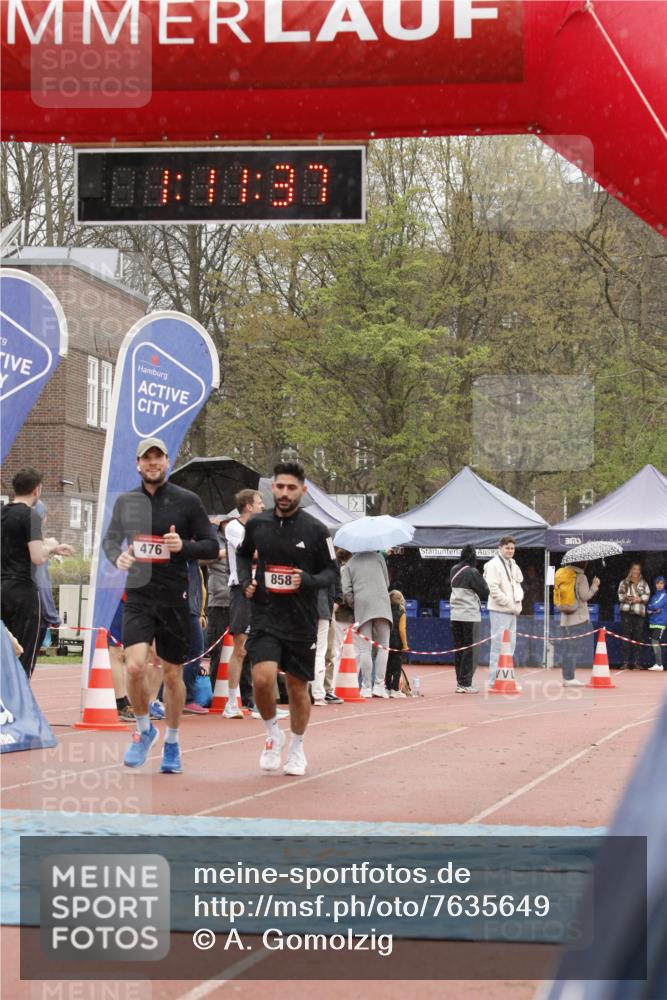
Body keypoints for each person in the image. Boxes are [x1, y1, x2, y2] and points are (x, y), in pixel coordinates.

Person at [102, 437, 218, 773]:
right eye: (146, 459)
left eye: (158, 458)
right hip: (138, 595)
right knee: (135, 666)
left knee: (171, 675)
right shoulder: (127, 502)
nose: (152, 463)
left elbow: (211, 546)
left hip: (173, 598)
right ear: (138, 464)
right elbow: (110, 540)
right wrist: (118, 555)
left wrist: (182, 545)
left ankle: (173, 741)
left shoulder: (187, 502)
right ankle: (144, 730)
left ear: (166, 461)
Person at [236, 460, 337, 776]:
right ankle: (272, 735)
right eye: (279, 486)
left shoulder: (317, 530)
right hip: (266, 614)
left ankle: (297, 748)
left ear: (302, 491)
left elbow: (332, 572)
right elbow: (241, 555)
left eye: (291, 488)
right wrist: (245, 581)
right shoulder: (258, 524)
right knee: (262, 677)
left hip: (301, 618)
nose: (283, 493)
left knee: (296, 686)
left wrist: (306, 580)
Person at [1, 468, 73, 678]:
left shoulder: (2, 513)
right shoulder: (30, 515)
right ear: (37, 490)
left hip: (1, 586)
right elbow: (37, 557)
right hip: (22, 591)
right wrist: (50, 546)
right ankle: (19, 704)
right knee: (24, 655)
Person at [223, 489, 266, 719]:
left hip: (260, 590)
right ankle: (231, 703)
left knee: (258, 647)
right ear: (248, 506)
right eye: (260, 503)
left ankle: (259, 703)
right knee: (240, 649)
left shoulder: (260, 528)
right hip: (240, 589)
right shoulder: (233, 527)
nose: (263, 507)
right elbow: (252, 552)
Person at [342, 550, 392, 699]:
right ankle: (379, 685)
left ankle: (366, 687)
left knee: (365, 649)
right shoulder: (379, 558)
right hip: (382, 603)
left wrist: (355, 604)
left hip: (362, 605)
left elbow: (346, 591)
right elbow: (387, 582)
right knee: (384, 645)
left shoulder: (350, 564)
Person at [483, 535, 524, 689]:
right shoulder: (493, 565)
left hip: (512, 611)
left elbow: (517, 585)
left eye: (512, 548)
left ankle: (506, 677)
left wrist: (517, 603)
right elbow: (492, 589)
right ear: (499, 548)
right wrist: (508, 603)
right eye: (507, 548)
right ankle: (494, 680)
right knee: (498, 646)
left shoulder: (512, 564)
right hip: (500, 610)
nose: (510, 551)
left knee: (510, 646)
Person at [449, 544, 489, 693]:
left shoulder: (453, 569)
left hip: (455, 614)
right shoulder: (473, 572)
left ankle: (460, 682)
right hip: (470, 615)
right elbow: (485, 591)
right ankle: (466, 682)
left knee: (459, 649)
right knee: (470, 650)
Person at [558, 562, 600, 687]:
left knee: (566, 648)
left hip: (565, 618)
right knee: (573, 649)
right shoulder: (581, 577)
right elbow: (585, 596)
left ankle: (566, 676)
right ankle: (570, 678)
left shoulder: (563, 575)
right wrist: (594, 585)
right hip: (577, 618)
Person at [204, 516, 231, 692]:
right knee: (219, 648)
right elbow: (200, 558)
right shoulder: (213, 538)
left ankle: (240, 693)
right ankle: (215, 689)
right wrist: (220, 553)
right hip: (220, 598)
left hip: (240, 597)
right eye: (229, 521)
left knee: (240, 649)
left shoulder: (243, 536)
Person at [617, 563, 650, 670]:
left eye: (638, 569)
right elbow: (620, 595)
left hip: (639, 614)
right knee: (625, 637)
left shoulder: (644, 583)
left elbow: (647, 595)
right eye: (634, 569)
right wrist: (627, 598)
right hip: (626, 613)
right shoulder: (624, 582)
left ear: (640, 571)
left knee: (638, 637)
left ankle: (637, 662)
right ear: (630, 570)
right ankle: (625, 662)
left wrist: (639, 599)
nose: (636, 571)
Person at [386, 590, 409, 698]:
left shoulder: (386, 610)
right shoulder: (401, 611)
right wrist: (405, 645)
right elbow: (402, 629)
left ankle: (387, 687)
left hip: (386, 640)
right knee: (397, 666)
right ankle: (395, 689)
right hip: (396, 641)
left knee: (387, 665)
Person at [647, 575, 667, 672]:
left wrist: (652, 607)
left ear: (664, 584)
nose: (659, 585)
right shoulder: (654, 596)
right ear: (655, 584)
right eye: (657, 583)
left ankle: (659, 664)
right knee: (654, 642)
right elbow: (649, 608)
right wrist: (652, 608)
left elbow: (655, 605)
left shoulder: (664, 595)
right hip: (652, 622)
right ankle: (657, 663)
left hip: (660, 622)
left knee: (655, 641)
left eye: (661, 583)